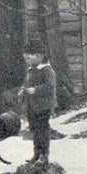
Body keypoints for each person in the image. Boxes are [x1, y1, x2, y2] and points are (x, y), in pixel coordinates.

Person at [18, 37, 58, 166]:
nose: (27, 61)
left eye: (28, 58)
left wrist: (35, 90)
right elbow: (26, 82)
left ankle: (44, 155)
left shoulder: (46, 70)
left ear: (38, 56)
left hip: (43, 106)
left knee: (43, 130)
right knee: (35, 130)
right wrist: (22, 89)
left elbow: (50, 87)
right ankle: (36, 154)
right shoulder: (31, 69)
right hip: (32, 106)